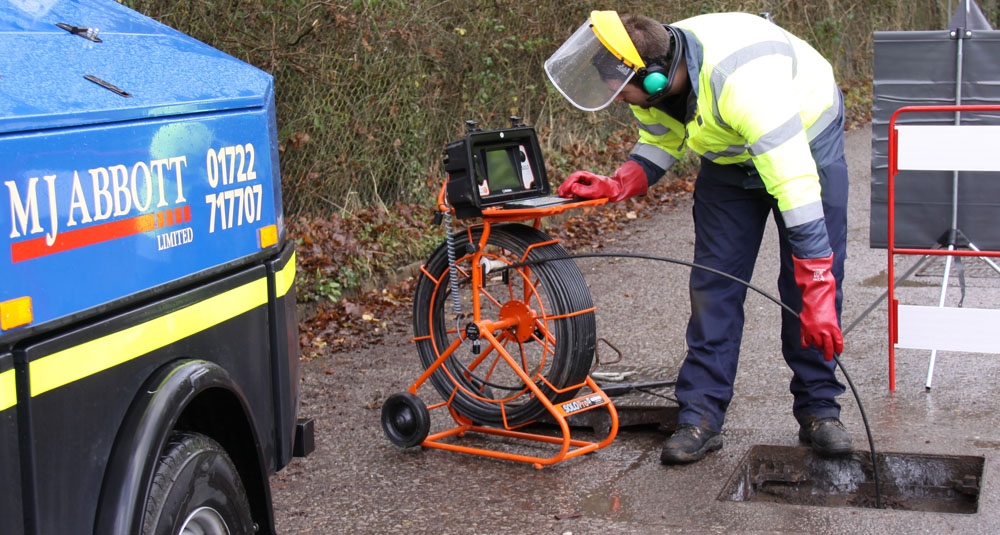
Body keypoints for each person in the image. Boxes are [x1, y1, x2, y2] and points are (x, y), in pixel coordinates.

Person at [544, 11, 850, 463]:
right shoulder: (651, 64)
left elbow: (794, 185)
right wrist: (621, 180)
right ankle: (700, 416)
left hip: (802, 141)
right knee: (714, 285)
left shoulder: (744, 87)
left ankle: (819, 410)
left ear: (653, 80)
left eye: (622, 93)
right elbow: (661, 137)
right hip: (729, 159)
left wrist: (819, 283)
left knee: (804, 291)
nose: (621, 102)